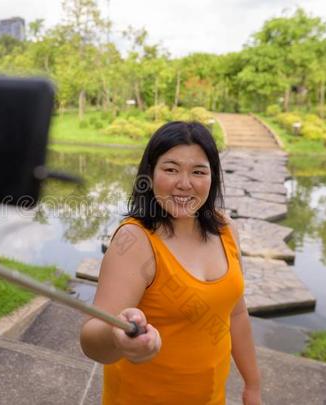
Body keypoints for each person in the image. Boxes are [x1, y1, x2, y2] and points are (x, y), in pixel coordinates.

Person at [80, 121, 261, 404]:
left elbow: (235, 315)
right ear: (150, 174)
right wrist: (117, 337)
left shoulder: (226, 229)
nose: (185, 183)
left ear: (212, 176)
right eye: (171, 169)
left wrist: (253, 384)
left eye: (198, 171)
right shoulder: (135, 241)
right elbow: (91, 339)